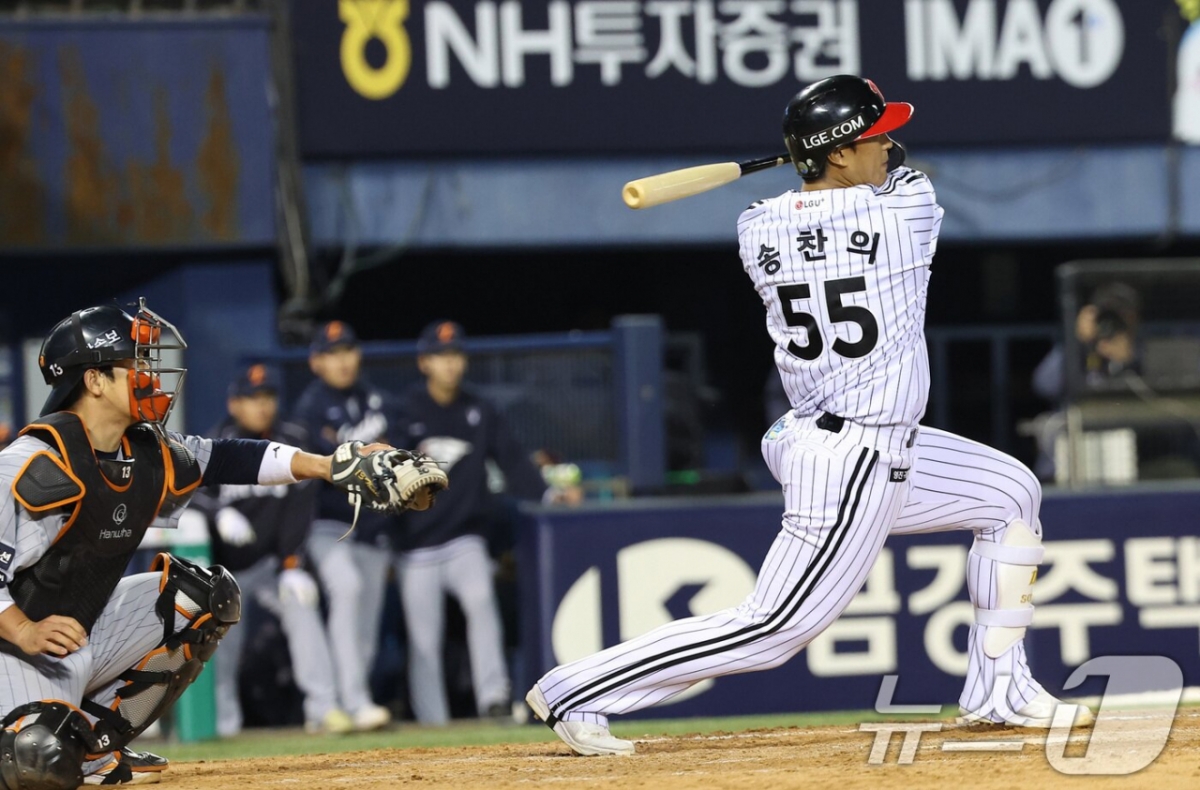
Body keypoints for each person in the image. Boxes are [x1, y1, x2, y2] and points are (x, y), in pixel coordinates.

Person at [525, 75, 1092, 756]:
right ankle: (577, 688)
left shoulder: (756, 225)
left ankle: (1000, 688)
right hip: (853, 455)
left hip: (842, 433)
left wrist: (819, 163)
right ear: (843, 152)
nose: (892, 144)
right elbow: (902, 178)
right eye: (876, 136)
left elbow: (819, 201)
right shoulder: (905, 210)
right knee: (774, 628)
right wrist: (835, 165)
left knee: (1009, 492)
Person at [0, 300, 443, 787]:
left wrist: (328, 465)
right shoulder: (30, 460)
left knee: (204, 595)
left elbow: (233, 459)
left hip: (76, 636)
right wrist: (21, 630)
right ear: (94, 380)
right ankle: (49, 742)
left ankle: (93, 750)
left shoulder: (148, 450)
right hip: (14, 651)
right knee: (37, 763)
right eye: (137, 362)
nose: (151, 373)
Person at [395, 321, 550, 725]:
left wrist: (547, 495)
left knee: (482, 604)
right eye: (442, 357)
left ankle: (494, 699)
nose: (451, 365)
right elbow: (384, 479)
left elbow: (513, 460)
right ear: (424, 362)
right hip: (416, 548)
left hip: (465, 539)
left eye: (456, 356)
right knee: (424, 640)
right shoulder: (404, 412)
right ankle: (432, 719)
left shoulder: (479, 409)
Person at [191, 364, 352, 737]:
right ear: (234, 404)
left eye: (267, 398)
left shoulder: (293, 440)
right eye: (252, 399)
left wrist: (293, 563)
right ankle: (223, 724)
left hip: (272, 564)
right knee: (221, 645)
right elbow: (185, 491)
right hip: (226, 572)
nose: (261, 406)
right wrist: (219, 511)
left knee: (302, 610)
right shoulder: (217, 443)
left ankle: (323, 708)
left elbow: (301, 508)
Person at [291, 321, 398, 731]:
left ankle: (344, 704)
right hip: (329, 524)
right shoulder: (308, 409)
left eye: (347, 350)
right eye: (332, 353)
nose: (342, 360)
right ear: (316, 361)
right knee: (347, 589)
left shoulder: (377, 400)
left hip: (373, 526)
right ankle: (350, 702)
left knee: (366, 623)